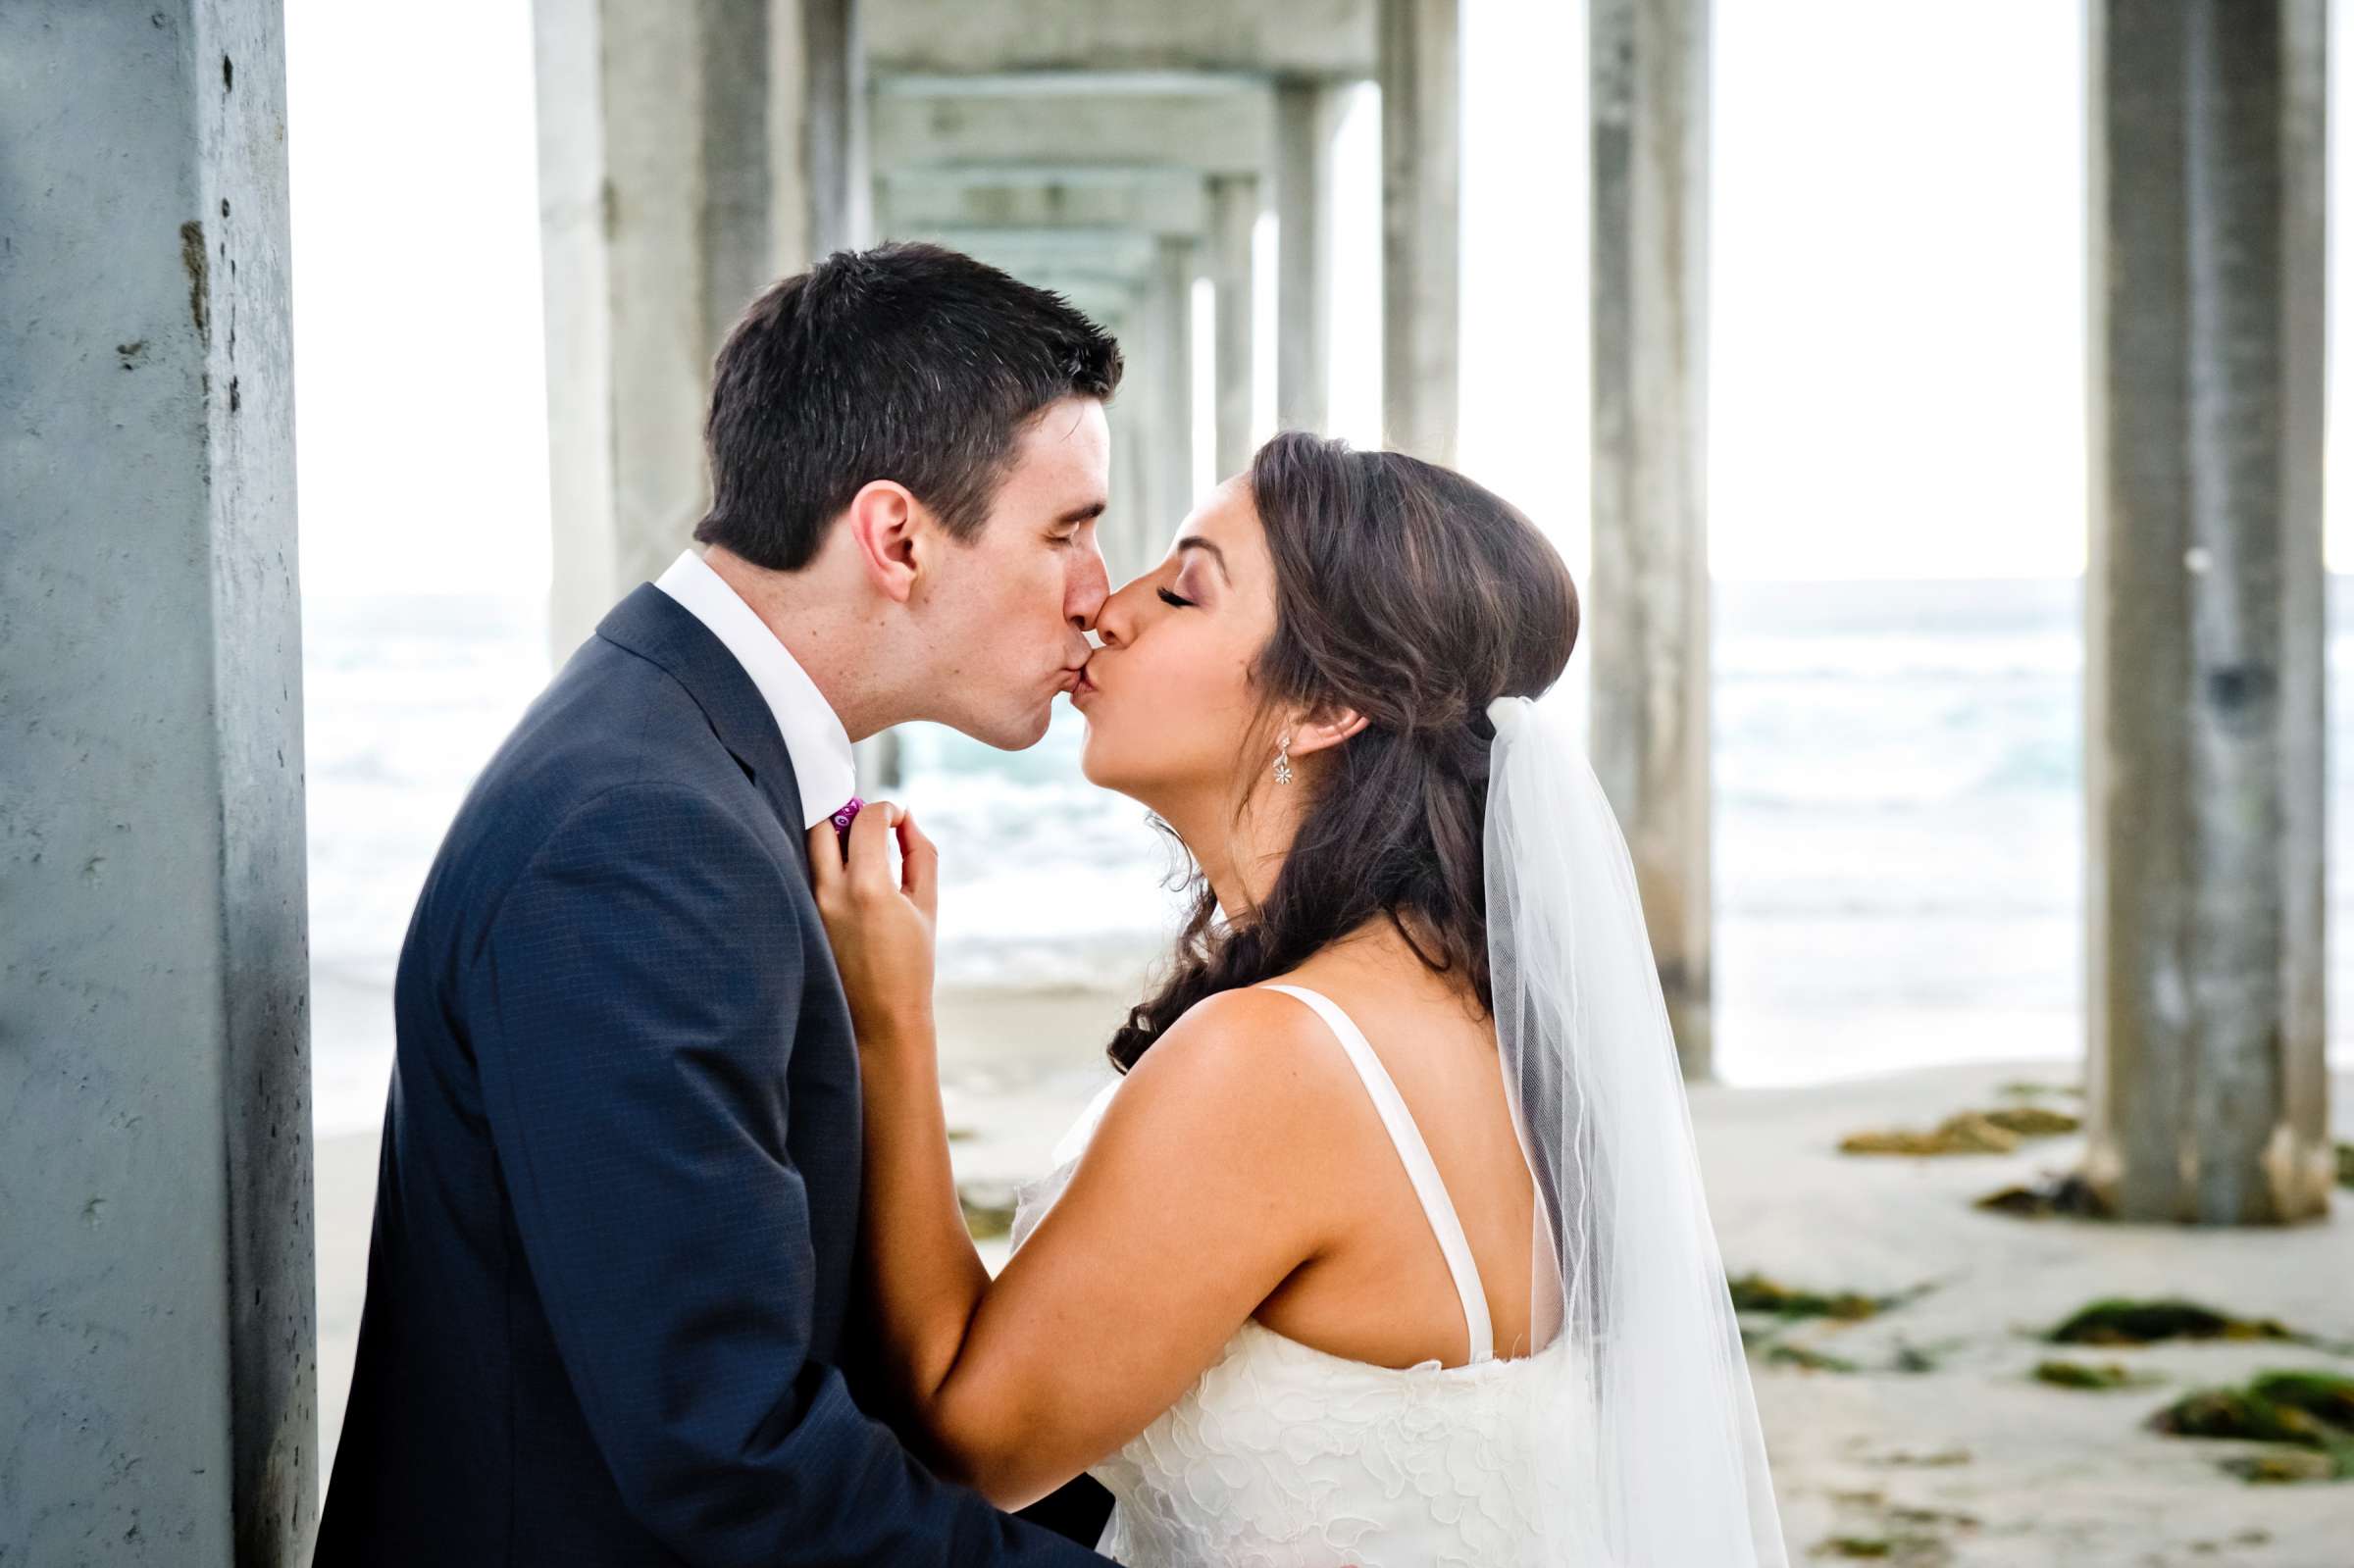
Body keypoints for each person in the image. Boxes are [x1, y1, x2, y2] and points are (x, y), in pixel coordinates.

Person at [814, 433, 1790, 1566]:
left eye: (1182, 590)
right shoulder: (1464, 1014)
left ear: (1324, 708)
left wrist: (891, 1022)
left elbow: (973, 1446)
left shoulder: (1277, 1058)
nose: (1108, 610)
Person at [316, 243, 1126, 1565]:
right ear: (900, 536)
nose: (1099, 592)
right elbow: (729, 1451)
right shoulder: (640, 838)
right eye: (1069, 529)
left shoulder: (689, 755)